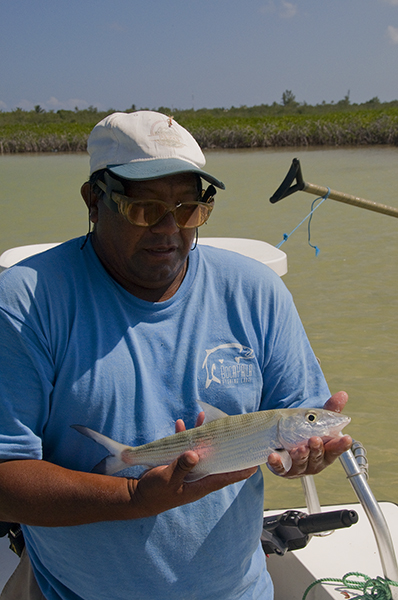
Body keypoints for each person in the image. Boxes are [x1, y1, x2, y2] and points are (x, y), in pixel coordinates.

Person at [0, 110, 352, 600]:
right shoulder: (26, 302)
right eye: (145, 209)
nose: (170, 230)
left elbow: (296, 432)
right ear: (93, 201)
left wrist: (306, 459)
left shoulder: (257, 292)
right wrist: (132, 495)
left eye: (190, 210)